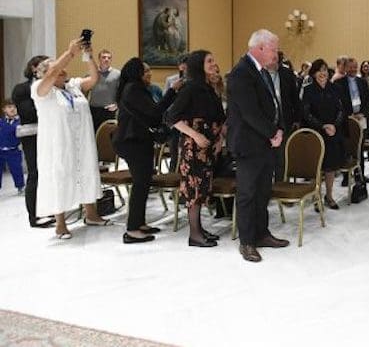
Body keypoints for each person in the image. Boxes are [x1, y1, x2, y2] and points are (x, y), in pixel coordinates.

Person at [32, 38, 108, 239]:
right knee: (59, 176)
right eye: (56, 66)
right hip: (58, 143)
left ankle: (91, 214)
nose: (62, 69)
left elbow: (94, 78)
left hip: (81, 139)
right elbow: (50, 74)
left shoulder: (73, 86)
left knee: (86, 171)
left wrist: (88, 55)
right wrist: (69, 53)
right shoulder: (40, 89)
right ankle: (60, 224)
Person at [226, 30, 290, 263]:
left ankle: (262, 234)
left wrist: (280, 128)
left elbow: (274, 104)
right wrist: (273, 132)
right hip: (249, 144)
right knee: (248, 193)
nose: (276, 53)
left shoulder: (262, 72)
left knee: (263, 192)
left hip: (265, 143)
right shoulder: (241, 73)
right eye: (274, 49)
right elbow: (249, 112)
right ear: (260, 48)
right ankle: (247, 242)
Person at [166, 50, 227, 248]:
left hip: (208, 147)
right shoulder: (190, 88)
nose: (213, 63)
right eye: (209, 61)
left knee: (203, 190)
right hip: (193, 147)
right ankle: (194, 234)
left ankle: (199, 229)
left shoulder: (209, 88)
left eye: (213, 60)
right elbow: (171, 117)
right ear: (199, 65)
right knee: (194, 191)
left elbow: (219, 119)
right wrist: (195, 135)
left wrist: (219, 140)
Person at [114, 58, 177, 244]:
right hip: (133, 141)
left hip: (138, 140)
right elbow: (154, 112)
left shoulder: (135, 88)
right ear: (137, 73)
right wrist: (172, 91)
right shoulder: (134, 89)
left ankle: (139, 223)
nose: (149, 74)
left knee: (144, 182)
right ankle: (132, 229)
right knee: (141, 183)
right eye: (146, 71)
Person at [12, 55, 54, 228]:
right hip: (32, 134)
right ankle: (34, 216)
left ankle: (49, 209)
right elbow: (27, 112)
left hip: (50, 131)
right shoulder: (21, 89)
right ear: (34, 68)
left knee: (49, 172)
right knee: (35, 173)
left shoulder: (51, 86)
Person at [303, 59, 347, 209]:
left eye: (325, 70)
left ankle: (329, 195)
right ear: (314, 73)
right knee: (317, 168)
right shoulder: (308, 90)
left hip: (333, 132)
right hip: (317, 133)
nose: (322, 73)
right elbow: (306, 113)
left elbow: (341, 110)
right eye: (319, 70)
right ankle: (317, 197)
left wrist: (334, 125)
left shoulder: (335, 88)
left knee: (330, 167)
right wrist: (322, 126)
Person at [334, 56, 369, 186]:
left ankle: (360, 174)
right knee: (346, 147)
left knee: (360, 147)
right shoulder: (338, 83)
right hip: (346, 120)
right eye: (350, 67)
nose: (353, 69)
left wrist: (362, 113)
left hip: (361, 118)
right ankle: (346, 176)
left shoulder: (362, 82)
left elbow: (368, 101)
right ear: (345, 68)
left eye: (355, 66)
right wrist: (349, 115)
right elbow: (337, 104)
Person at [266, 49, 302, 181]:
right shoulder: (259, 74)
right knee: (266, 159)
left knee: (282, 158)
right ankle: (266, 190)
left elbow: (295, 98)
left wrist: (297, 119)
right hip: (265, 122)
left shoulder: (287, 74)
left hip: (284, 120)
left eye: (276, 58)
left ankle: (281, 188)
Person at [88, 48, 120, 130]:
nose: (106, 59)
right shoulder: (92, 74)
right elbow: (84, 90)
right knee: (93, 135)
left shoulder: (117, 74)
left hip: (109, 111)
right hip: (93, 110)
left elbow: (122, 92)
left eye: (109, 58)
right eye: (104, 57)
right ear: (99, 59)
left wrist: (117, 104)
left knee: (108, 137)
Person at [0, 100, 25, 194]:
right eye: (9, 107)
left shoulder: (19, 122)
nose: (13, 109)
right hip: (1, 150)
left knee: (16, 168)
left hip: (13, 150)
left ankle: (20, 186)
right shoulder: (1, 121)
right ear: (4, 110)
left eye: (14, 107)